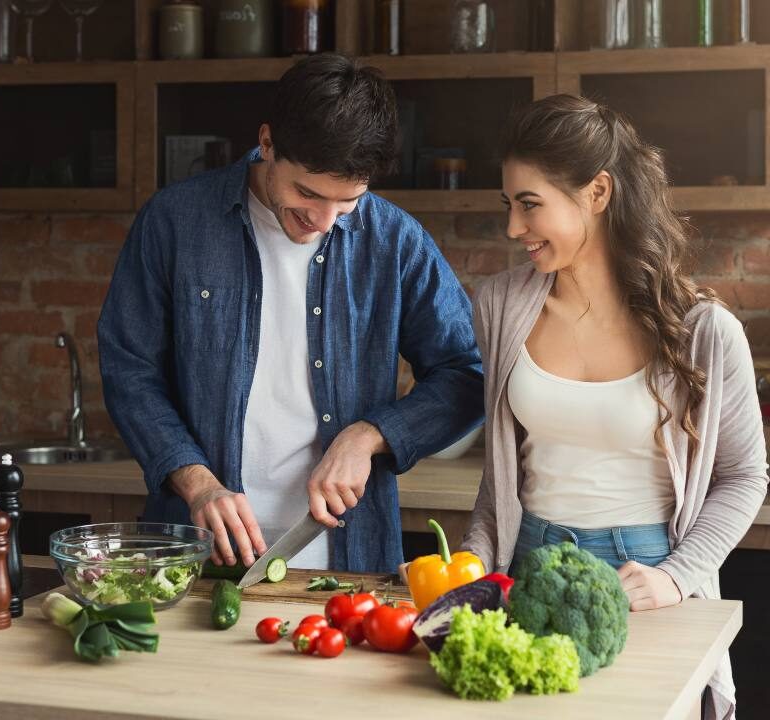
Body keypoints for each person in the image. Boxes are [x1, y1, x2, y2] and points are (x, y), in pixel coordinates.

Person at [97, 54, 484, 575]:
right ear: (268, 142)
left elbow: (467, 374)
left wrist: (367, 435)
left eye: (346, 202)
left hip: (350, 561)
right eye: (307, 193)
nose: (323, 221)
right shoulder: (174, 223)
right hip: (198, 553)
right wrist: (197, 483)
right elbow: (129, 369)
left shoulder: (396, 242)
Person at [461, 94, 768, 719]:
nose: (514, 228)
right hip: (527, 567)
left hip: (647, 580)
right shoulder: (499, 305)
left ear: (597, 193)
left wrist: (677, 578)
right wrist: (474, 564)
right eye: (509, 205)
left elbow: (744, 477)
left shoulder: (703, 330)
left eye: (530, 204)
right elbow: (499, 476)